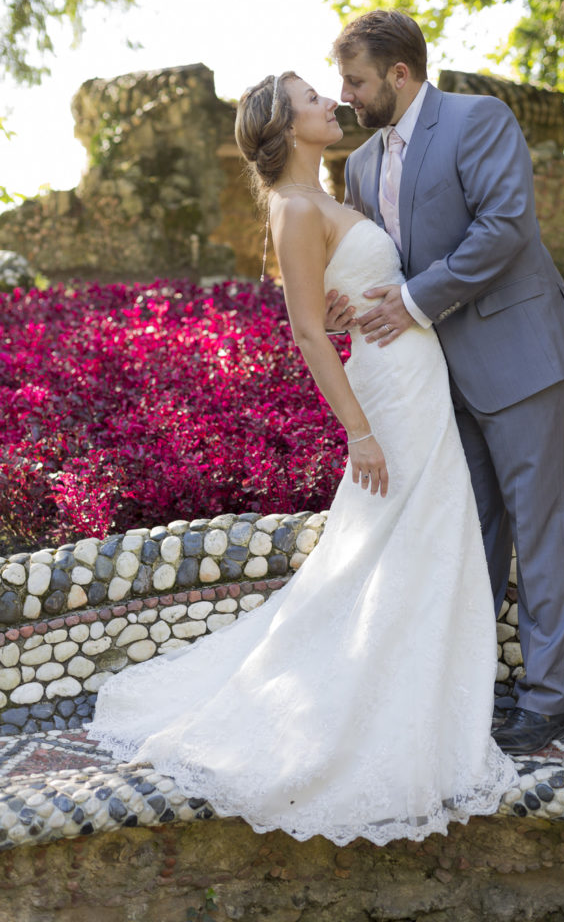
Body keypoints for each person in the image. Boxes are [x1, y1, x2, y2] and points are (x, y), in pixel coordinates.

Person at [87, 69, 517, 846]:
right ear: (286, 129)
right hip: (386, 396)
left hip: (416, 375)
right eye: (312, 98)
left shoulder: (337, 195)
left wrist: (370, 292)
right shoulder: (290, 207)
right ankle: (354, 707)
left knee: (420, 543)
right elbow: (307, 333)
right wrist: (357, 429)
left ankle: (419, 702)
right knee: (387, 545)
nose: (330, 103)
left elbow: (345, 297)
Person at [327, 10, 564, 755]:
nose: (343, 94)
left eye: (355, 81)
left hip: (521, 360)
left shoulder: (479, 121)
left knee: (541, 531)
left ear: (400, 74)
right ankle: (464, 687)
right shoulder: (358, 166)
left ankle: (546, 701)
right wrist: (351, 300)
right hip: (434, 379)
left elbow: (505, 227)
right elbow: (379, 261)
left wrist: (409, 303)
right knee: (467, 531)